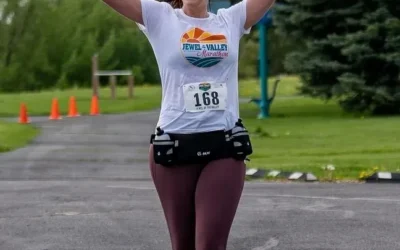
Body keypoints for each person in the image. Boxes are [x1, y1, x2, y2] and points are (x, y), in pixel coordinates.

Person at [103, 0, 275, 249]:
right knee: (182, 244)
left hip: (224, 146)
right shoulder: (159, 17)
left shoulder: (230, 20)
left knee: (209, 244)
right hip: (174, 146)